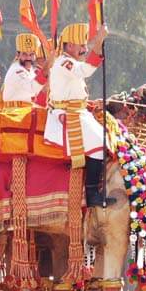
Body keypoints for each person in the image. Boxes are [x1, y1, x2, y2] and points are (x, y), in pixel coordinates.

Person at [44, 22, 111, 207]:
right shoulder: (64, 62)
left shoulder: (69, 62)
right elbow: (86, 71)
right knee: (100, 143)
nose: (84, 49)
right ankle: (92, 195)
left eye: (86, 45)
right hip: (67, 116)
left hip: (77, 110)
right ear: (70, 45)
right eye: (81, 45)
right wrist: (99, 41)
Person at [0, 33, 47, 108]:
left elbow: (37, 94)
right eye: (24, 54)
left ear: (35, 56)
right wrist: (47, 69)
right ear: (18, 55)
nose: (28, 58)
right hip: (13, 113)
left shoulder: (30, 71)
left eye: (31, 55)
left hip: (24, 111)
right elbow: (32, 88)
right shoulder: (17, 70)